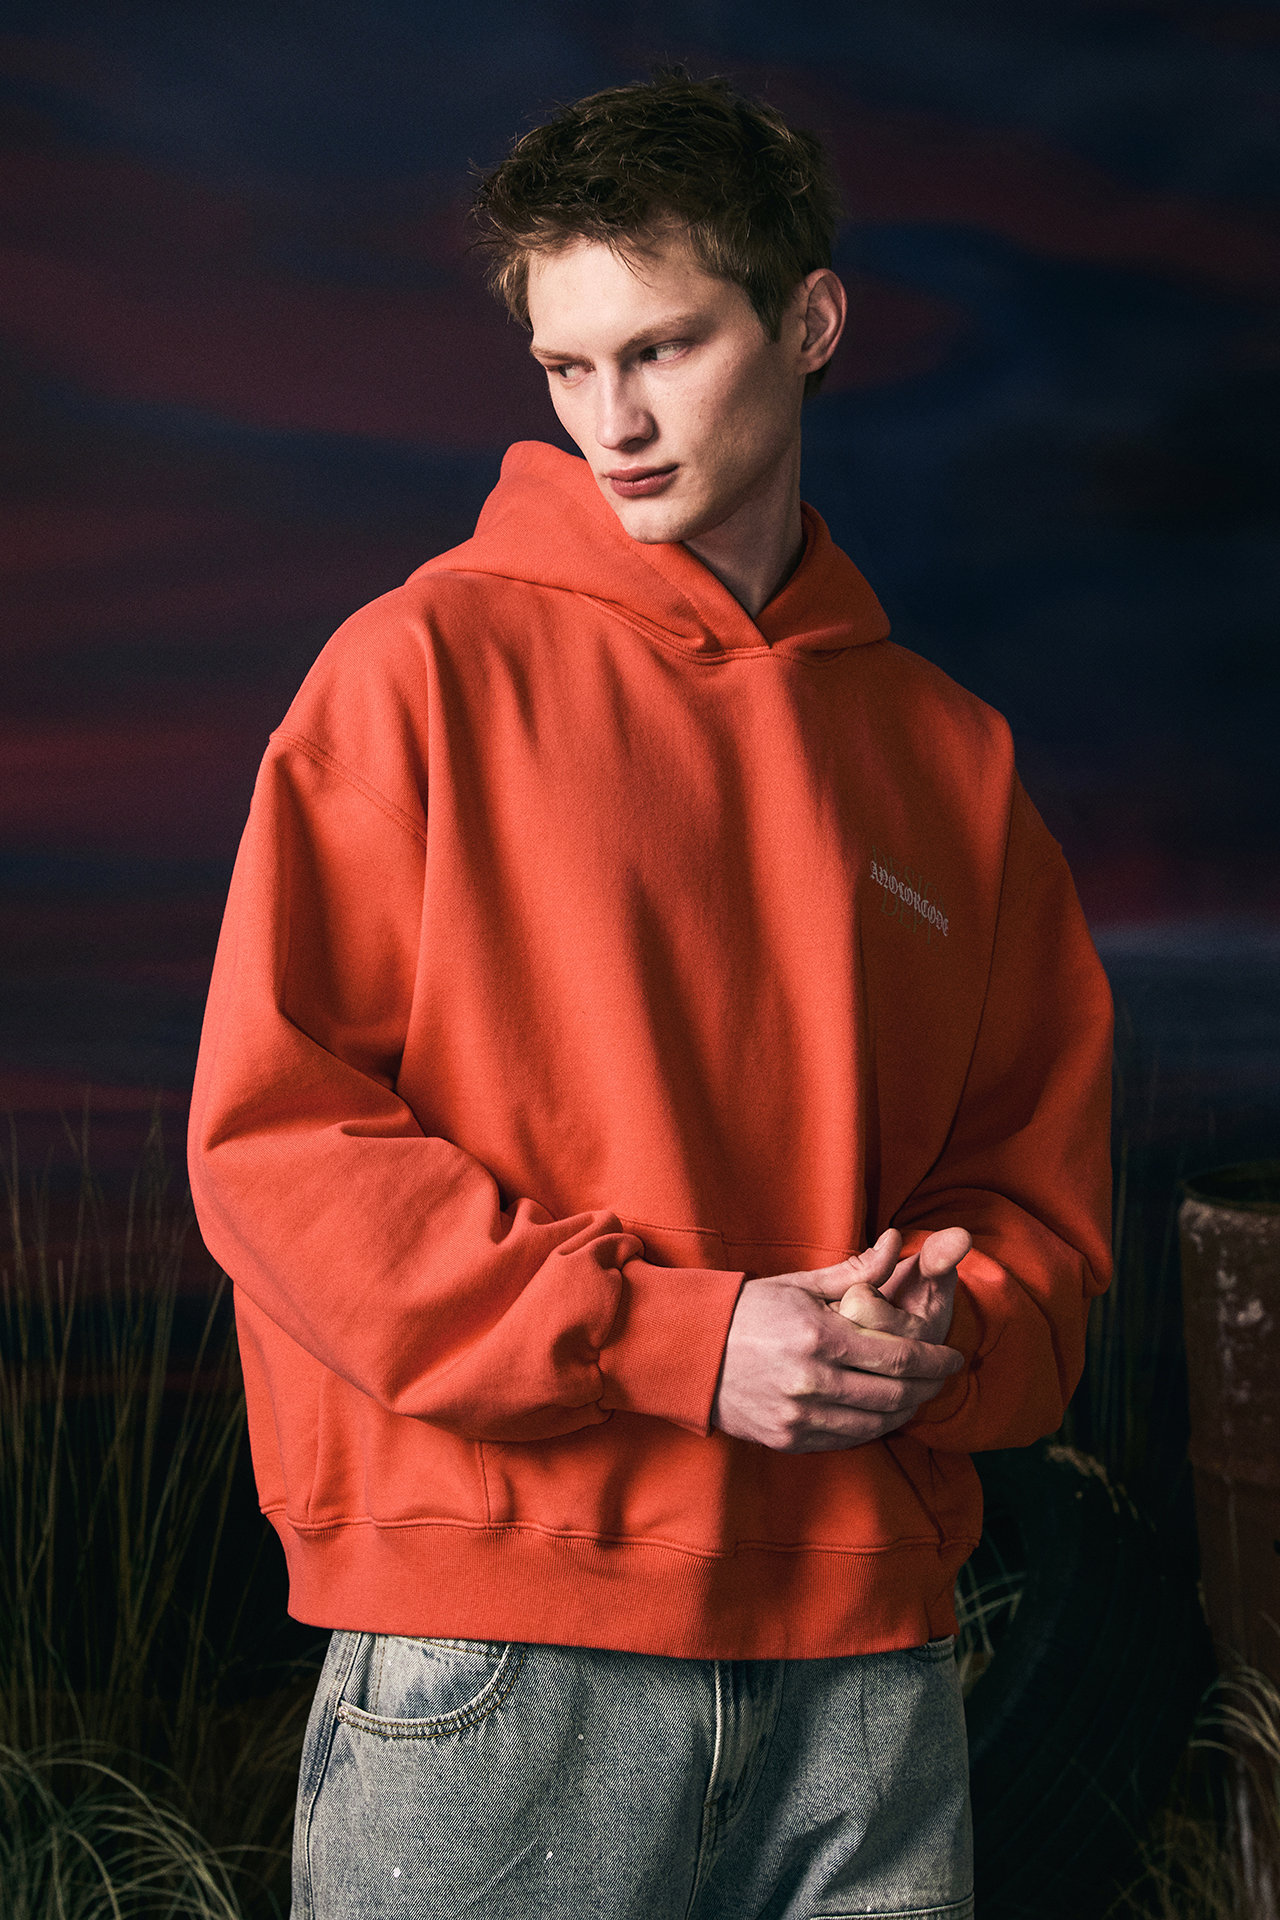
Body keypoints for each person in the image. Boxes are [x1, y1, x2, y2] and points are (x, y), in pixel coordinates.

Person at [189, 69, 1113, 1920]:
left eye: (664, 350)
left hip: (865, 1666)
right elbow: (277, 1153)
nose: (610, 420)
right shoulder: (415, 670)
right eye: (566, 366)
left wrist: (947, 1329)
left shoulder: (950, 759)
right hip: (502, 1650)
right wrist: (679, 1341)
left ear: (811, 321)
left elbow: (1033, 1207)